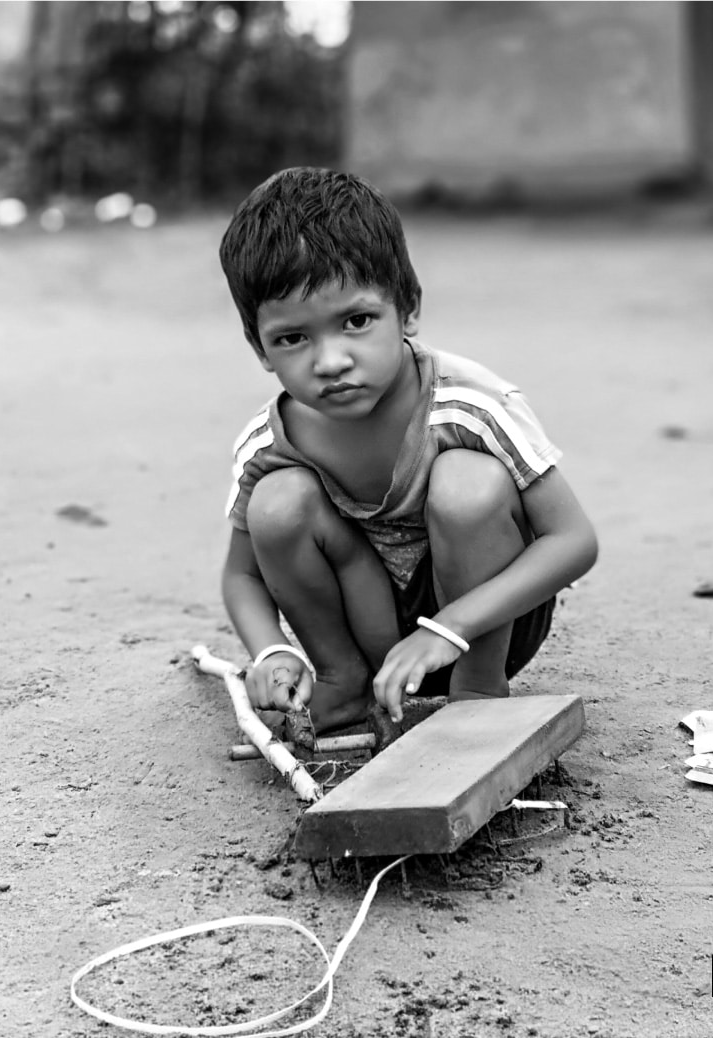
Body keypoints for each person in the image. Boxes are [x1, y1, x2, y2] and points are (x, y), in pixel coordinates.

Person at [216, 167, 598, 733]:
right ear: (260, 348)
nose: (330, 361)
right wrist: (272, 650)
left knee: (467, 484)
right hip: (372, 635)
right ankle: (343, 683)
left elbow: (574, 542)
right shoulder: (271, 443)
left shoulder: (469, 405)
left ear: (408, 308)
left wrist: (449, 628)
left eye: (357, 321)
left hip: (484, 624)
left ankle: (478, 696)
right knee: (275, 503)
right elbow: (241, 577)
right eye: (293, 337)